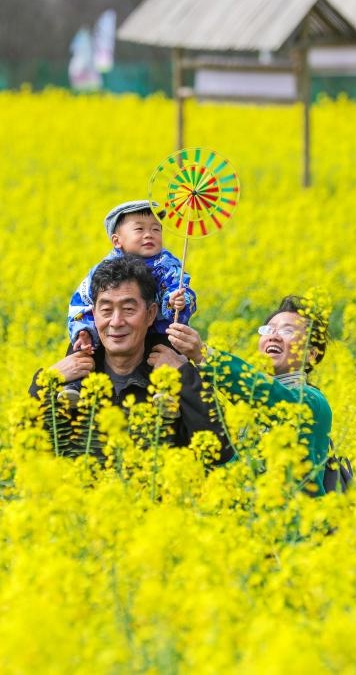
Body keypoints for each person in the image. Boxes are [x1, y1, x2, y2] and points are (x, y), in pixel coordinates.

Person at [30, 256, 230, 462]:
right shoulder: (71, 384)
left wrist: (185, 378)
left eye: (128, 309)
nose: (116, 322)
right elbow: (28, 449)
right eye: (106, 310)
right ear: (93, 315)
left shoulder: (174, 379)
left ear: (151, 314)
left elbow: (220, 452)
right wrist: (44, 383)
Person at [165, 296, 334, 493]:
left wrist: (204, 355)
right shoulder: (248, 411)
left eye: (288, 330)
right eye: (268, 330)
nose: (274, 336)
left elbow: (269, 394)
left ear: (311, 354)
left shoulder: (313, 402)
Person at [61, 200, 197, 403]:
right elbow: (82, 302)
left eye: (156, 229)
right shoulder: (104, 270)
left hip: (159, 331)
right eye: (139, 229)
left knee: (168, 351)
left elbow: (182, 290)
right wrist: (83, 329)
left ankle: (167, 394)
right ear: (117, 241)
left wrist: (178, 301)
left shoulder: (168, 264)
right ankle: (73, 387)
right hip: (114, 335)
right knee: (80, 349)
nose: (149, 234)